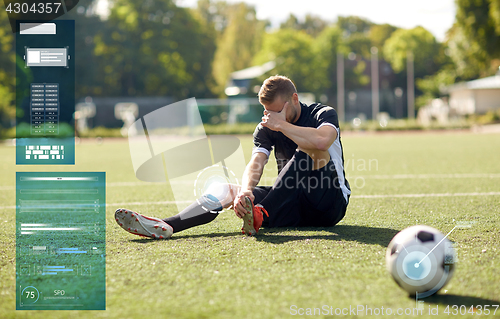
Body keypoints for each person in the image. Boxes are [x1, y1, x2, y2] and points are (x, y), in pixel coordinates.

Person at [115, 75, 350, 239]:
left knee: (312, 148)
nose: (270, 117)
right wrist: (247, 191)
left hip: (328, 204)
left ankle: (260, 212)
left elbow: (322, 141)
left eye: (277, 111)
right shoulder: (267, 125)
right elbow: (256, 162)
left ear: (295, 99)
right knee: (229, 189)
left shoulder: (322, 113)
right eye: (267, 112)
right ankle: (167, 225)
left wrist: (281, 125)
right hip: (290, 204)